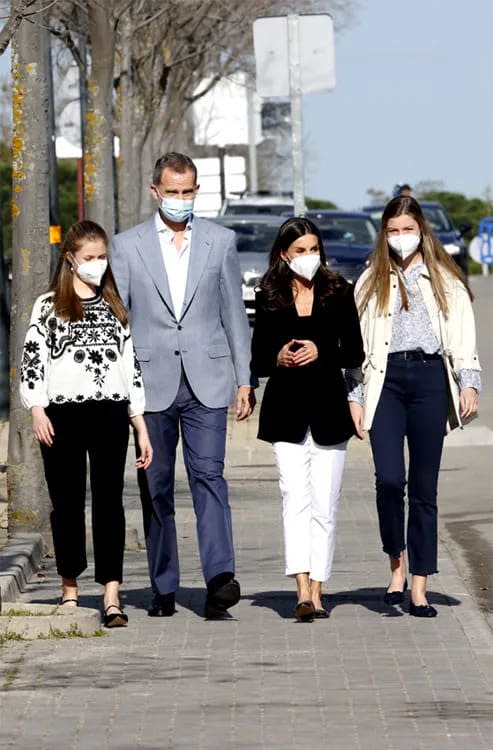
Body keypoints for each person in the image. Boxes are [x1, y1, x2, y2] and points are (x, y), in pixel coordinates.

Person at [111, 152, 255, 619]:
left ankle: (219, 580)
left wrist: (244, 378)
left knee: (209, 477)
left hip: (208, 379)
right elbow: (120, 321)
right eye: (171, 192)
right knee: (155, 486)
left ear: (197, 191)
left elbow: (234, 312)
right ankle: (163, 585)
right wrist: (123, 390)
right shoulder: (127, 246)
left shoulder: (220, 241)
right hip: (151, 384)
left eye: (187, 191)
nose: (179, 200)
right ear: (156, 191)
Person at [347, 196, 481, 617]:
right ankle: (396, 568)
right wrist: (354, 395)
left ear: (421, 229)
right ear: (384, 235)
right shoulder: (370, 281)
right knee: (389, 480)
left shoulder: (445, 281)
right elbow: (354, 349)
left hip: (428, 382)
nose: (401, 237)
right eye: (393, 231)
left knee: (424, 488)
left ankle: (419, 584)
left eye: (407, 229)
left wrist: (468, 383)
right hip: (384, 383)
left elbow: (463, 337)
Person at [20, 220, 153, 628]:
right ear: (71, 259)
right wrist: (36, 408)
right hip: (61, 414)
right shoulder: (48, 306)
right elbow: (32, 361)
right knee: (67, 503)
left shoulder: (115, 306)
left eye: (102, 257)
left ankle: (111, 593)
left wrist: (140, 422)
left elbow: (129, 367)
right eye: (89, 258)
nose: (97, 264)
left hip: (110, 412)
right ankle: (70, 588)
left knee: (110, 502)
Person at [250, 217, 364, 620]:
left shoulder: (339, 291)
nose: (308, 257)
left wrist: (321, 351)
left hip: (329, 412)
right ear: (284, 254)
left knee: (325, 504)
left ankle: (319, 588)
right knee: (293, 498)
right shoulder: (268, 295)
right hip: (286, 412)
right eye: (300, 251)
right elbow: (259, 357)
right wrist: (278, 356)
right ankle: (300, 588)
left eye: (314, 249)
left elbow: (354, 352)